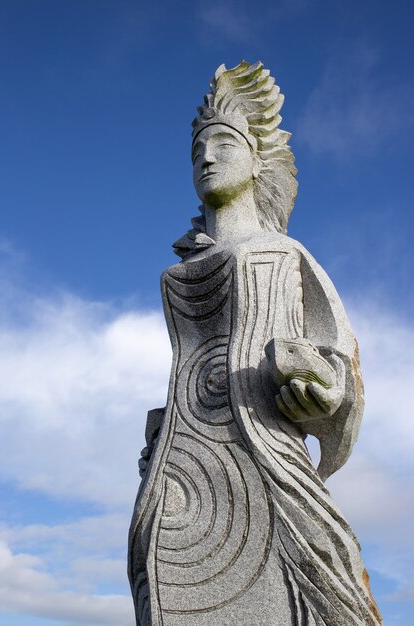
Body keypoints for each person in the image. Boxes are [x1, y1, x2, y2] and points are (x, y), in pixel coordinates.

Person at [128, 60, 382, 626]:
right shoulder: (177, 272)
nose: (207, 158)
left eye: (224, 143)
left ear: (258, 158)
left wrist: (323, 392)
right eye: (197, 151)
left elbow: (336, 355)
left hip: (267, 449)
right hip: (181, 467)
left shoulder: (285, 255)